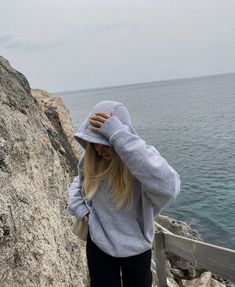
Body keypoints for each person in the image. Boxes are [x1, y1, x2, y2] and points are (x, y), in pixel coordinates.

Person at [68, 101, 180, 287]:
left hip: (137, 250)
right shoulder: (91, 160)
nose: (99, 149)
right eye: (95, 142)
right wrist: (81, 210)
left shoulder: (142, 161)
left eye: (106, 143)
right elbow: (77, 183)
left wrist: (118, 135)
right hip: (98, 244)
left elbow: (169, 187)